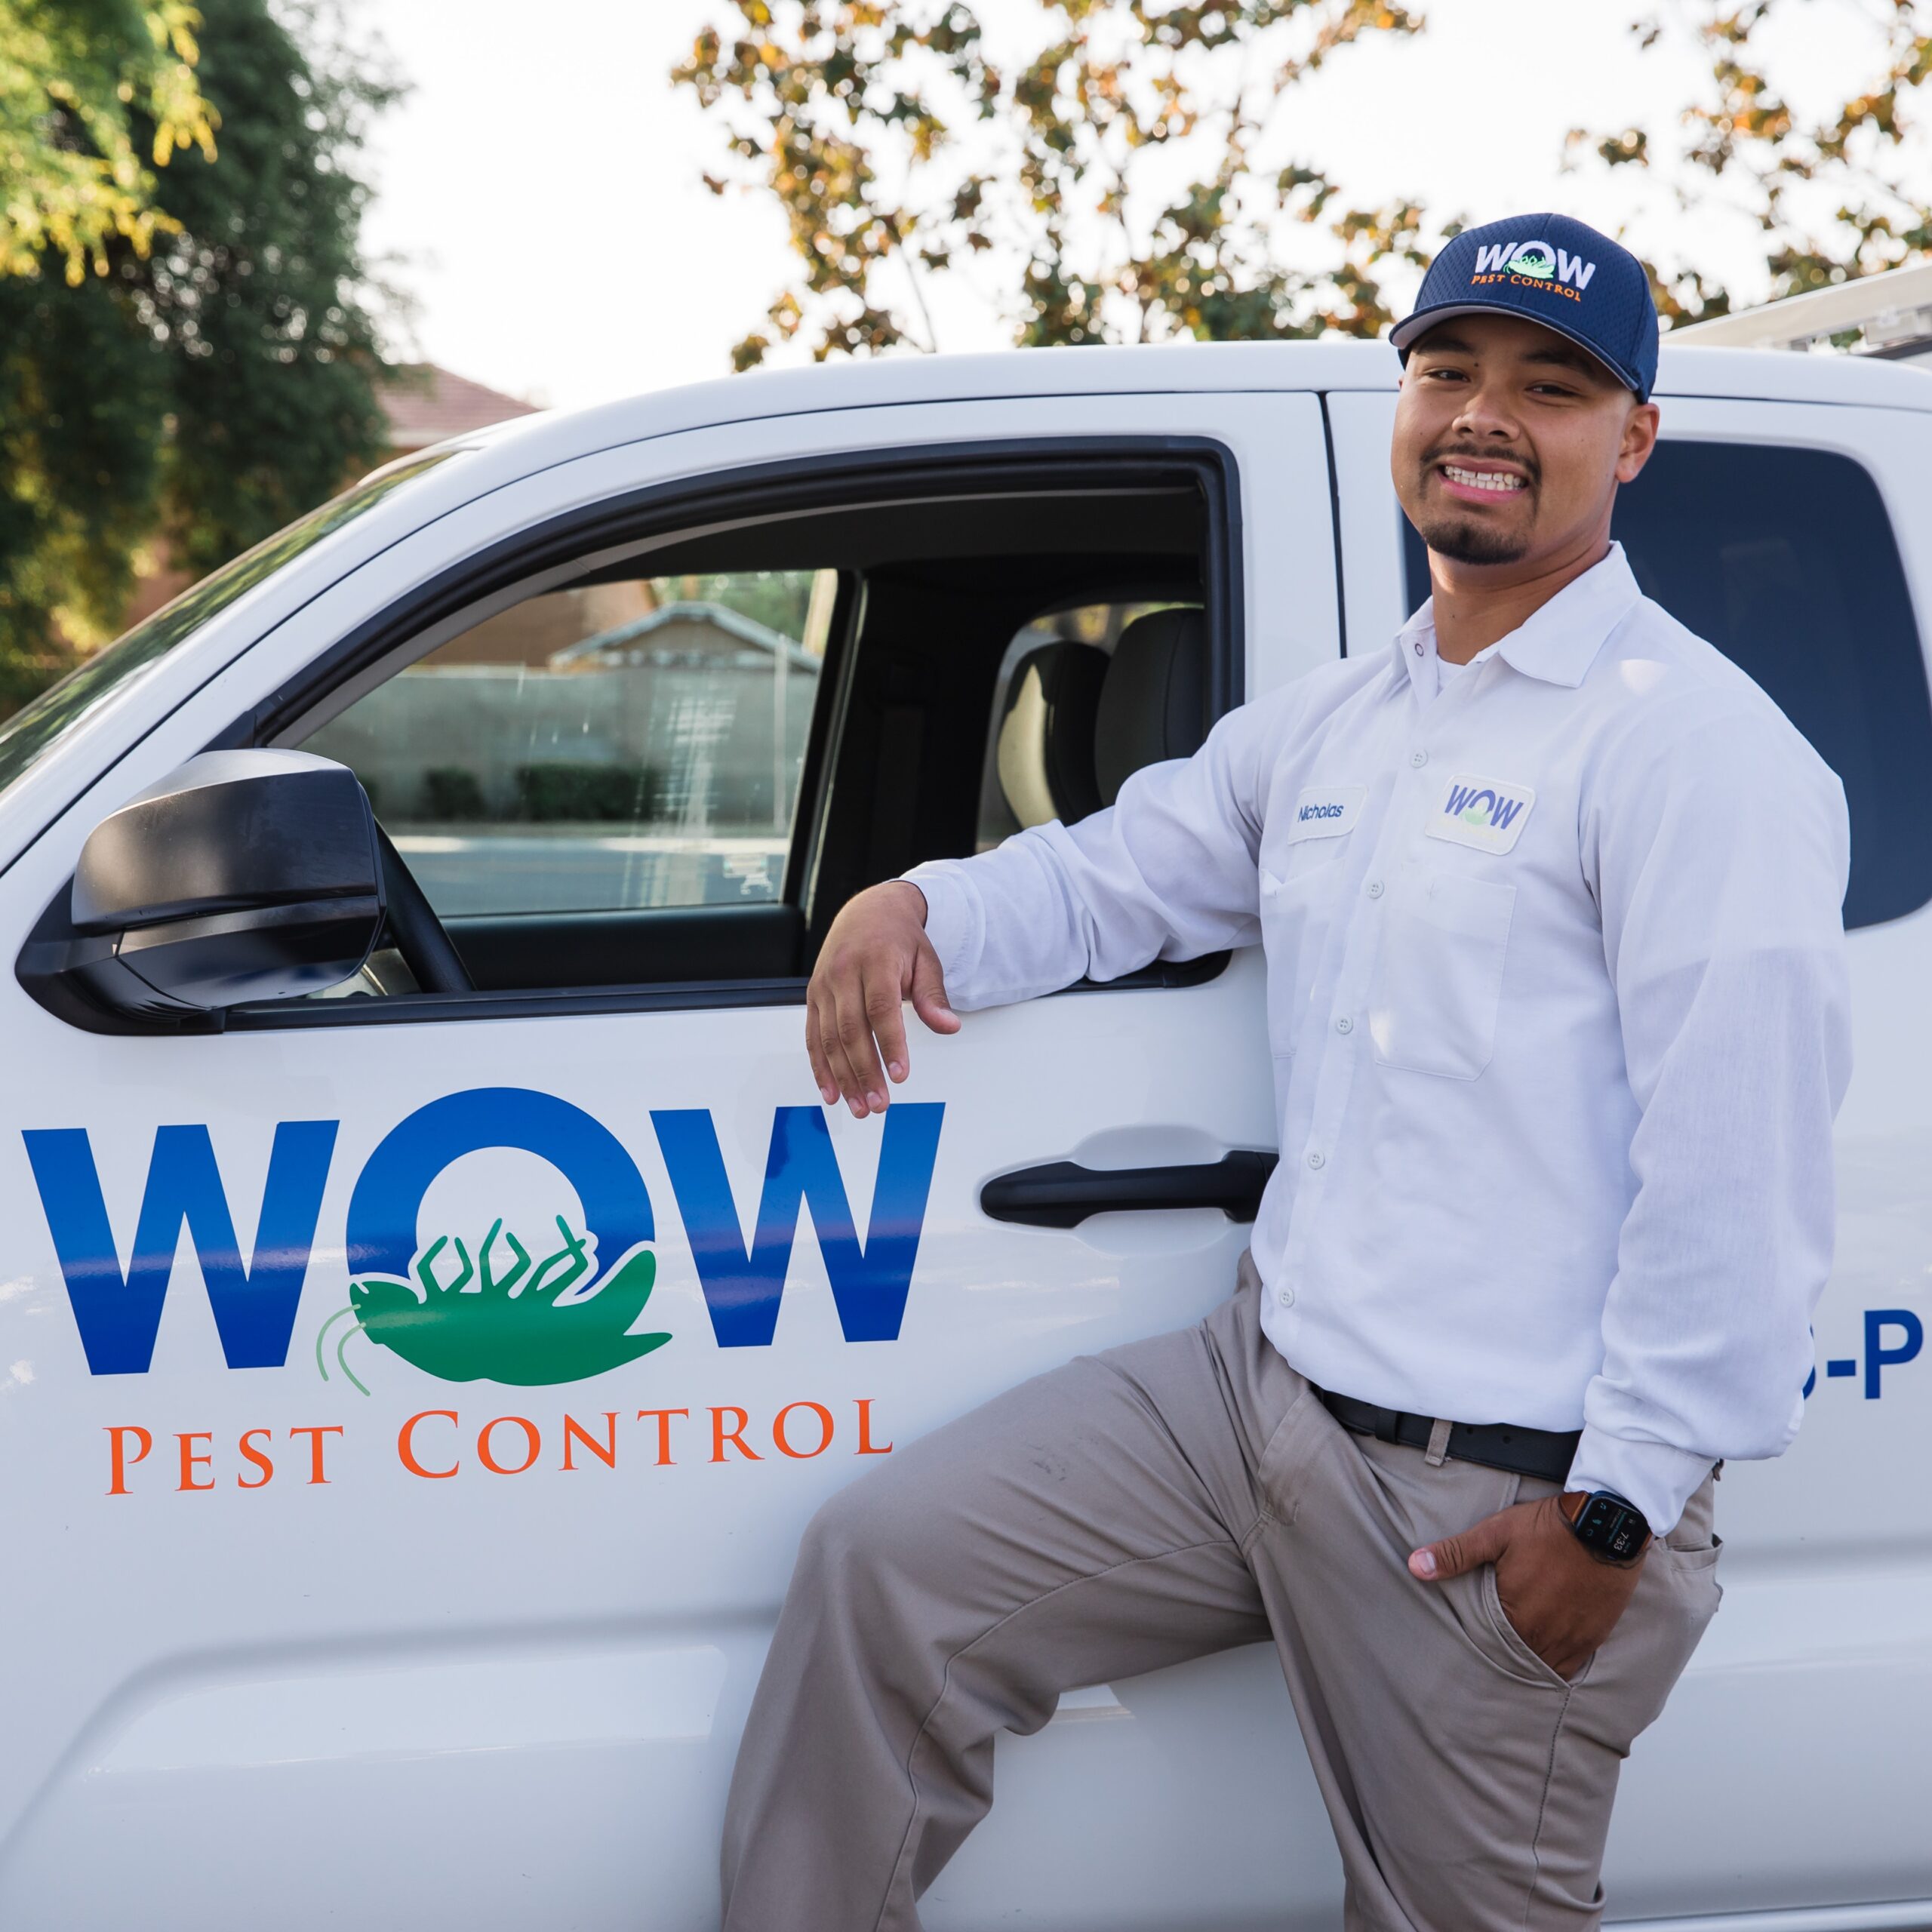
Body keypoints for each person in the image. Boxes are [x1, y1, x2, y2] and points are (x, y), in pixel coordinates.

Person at [719, 213, 1853, 1931]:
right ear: (1400, 398)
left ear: (1628, 439)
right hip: (1256, 1392)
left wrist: (1609, 1512)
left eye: (1548, 386)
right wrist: (912, 902)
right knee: (888, 1574)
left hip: (1500, 1488)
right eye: (1447, 369)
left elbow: (1738, 1172)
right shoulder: (1339, 722)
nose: (1483, 413)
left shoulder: (1690, 751)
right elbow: (1115, 872)